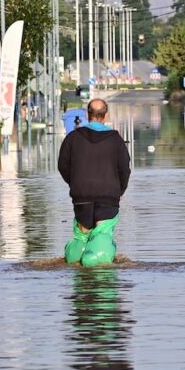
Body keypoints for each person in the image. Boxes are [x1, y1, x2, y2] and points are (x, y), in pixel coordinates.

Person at [58, 99, 131, 266]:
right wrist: (120, 191)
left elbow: (63, 166)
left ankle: (75, 257)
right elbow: (124, 169)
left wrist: (76, 184)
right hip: (108, 195)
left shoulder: (72, 138)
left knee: (82, 234)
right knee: (102, 233)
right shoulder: (115, 140)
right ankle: (96, 258)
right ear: (106, 116)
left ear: (86, 115)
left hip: (81, 196)